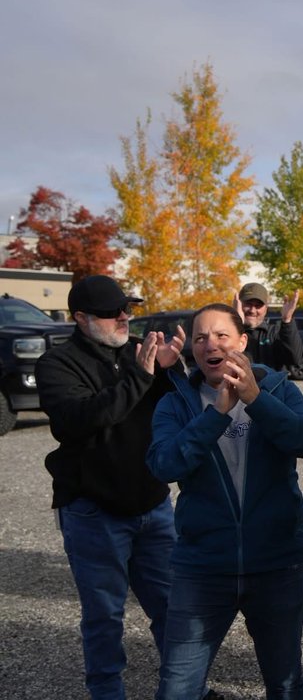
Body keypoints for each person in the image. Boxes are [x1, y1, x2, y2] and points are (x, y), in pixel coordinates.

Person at [147, 303, 303, 698]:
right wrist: (217, 415)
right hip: (202, 567)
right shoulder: (176, 402)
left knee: (285, 681)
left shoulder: (278, 388)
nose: (210, 344)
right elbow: (163, 464)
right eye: (200, 337)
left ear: (243, 341)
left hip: (278, 562)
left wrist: (256, 400)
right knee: (177, 687)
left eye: (221, 335)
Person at [35, 275, 186, 700]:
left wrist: (171, 372)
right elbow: (83, 418)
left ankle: (185, 686)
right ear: (81, 318)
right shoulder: (57, 364)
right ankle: (106, 692)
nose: (124, 317)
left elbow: (171, 411)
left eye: (127, 308)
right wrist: (142, 374)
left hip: (153, 504)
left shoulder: (140, 350)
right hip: (93, 511)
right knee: (104, 615)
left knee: (172, 606)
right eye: (111, 312)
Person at [237, 282, 303, 372]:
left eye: (258, 305)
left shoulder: (274, 332)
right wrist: (236, 325)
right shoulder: (227, 333)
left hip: (271, 386)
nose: (252, 310)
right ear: (238, 305)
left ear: (266, 308)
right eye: (248, 304)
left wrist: (287, 321)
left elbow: (296, 359)